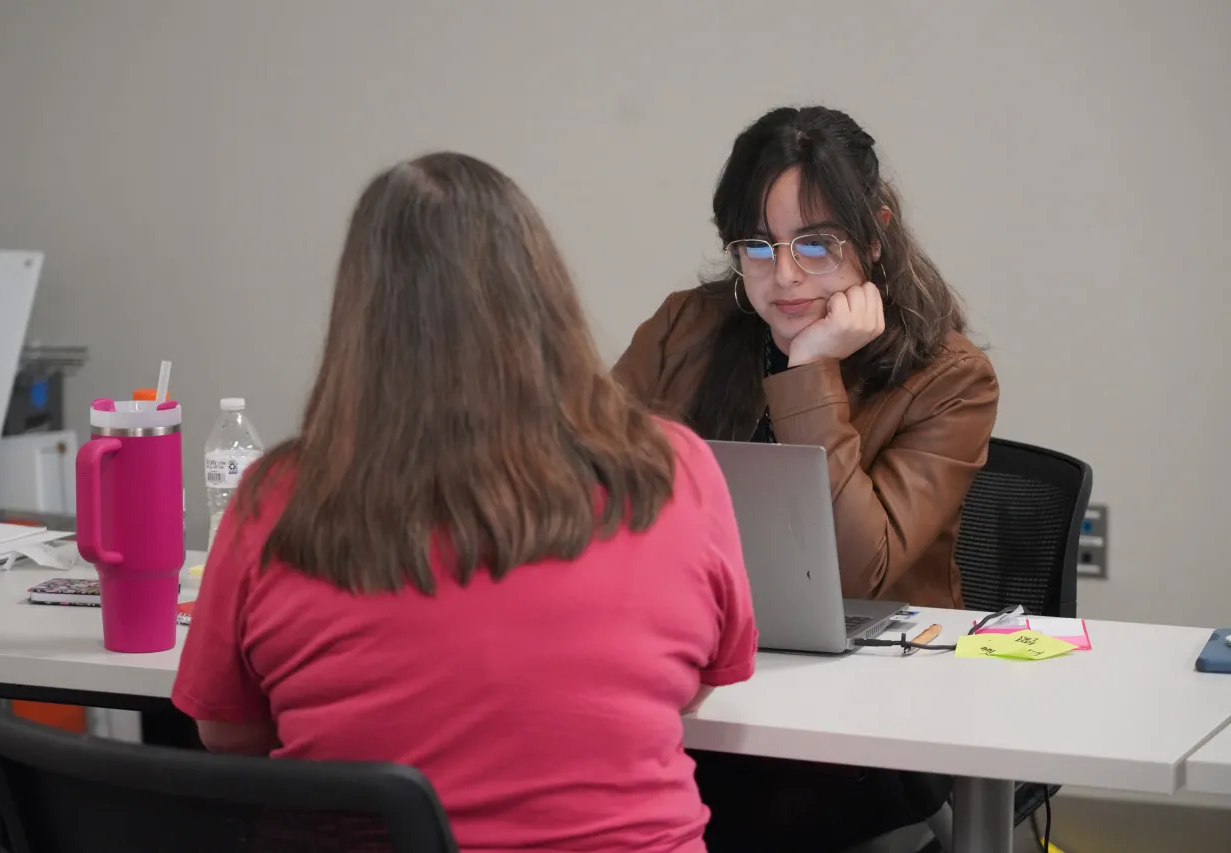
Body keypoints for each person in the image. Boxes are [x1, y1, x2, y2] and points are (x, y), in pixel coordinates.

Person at [172, 152, 758, 853]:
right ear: (543, 296)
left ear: (361, 315)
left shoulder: (273, 499)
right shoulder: (676, 469)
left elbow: (227, 730)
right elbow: (696, 681)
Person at [613, 106, 999, 851]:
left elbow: (859, 566)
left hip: (866, 717)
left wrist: (812, 370)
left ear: (876, 233)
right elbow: (588, 481)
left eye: (816, 244)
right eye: (757, 245)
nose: (782, 274)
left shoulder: (949, 377)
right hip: (693, 675)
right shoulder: (682, 328)